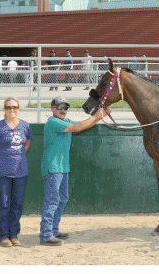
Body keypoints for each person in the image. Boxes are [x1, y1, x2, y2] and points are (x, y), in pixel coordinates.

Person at [40, 96, 106, 245]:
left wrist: (100, 115)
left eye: (65, 108)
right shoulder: (53, 122)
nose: (62, 110)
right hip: (53, 167)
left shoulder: (66, 121)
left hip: (62, 168)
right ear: (52, 109)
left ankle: (53, 230)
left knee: (62, 199)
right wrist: (97, 116)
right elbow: (77, 128)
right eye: (59, 107)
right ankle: (46, 235)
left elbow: (83, 125)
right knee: (52, 200)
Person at [0, 97, 32, 247]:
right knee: (3, 204)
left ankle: (14, 234)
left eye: (14, 107)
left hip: (21, 172)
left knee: (17, 204)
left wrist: (18, 157)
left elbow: (27, 144)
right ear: (4, 109)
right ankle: (3, 236)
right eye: (8, 107)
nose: (12, 110)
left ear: (19, 109)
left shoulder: (25, 126)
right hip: (2, 173)